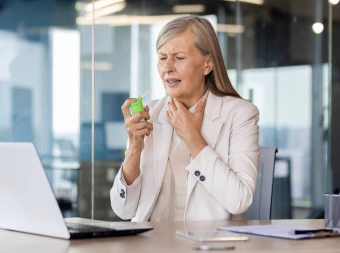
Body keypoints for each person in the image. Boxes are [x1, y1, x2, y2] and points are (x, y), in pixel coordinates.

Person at [110, 15, 260, 222]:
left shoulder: (240, 114)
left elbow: (239, 201)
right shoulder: (149, 113)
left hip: (206, 244)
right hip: (150, 243)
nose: (167, 67)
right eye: (162, 58)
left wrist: (193, 138)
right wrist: (135, 148)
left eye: (179, 57)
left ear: (207, 64)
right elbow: (123, 210)